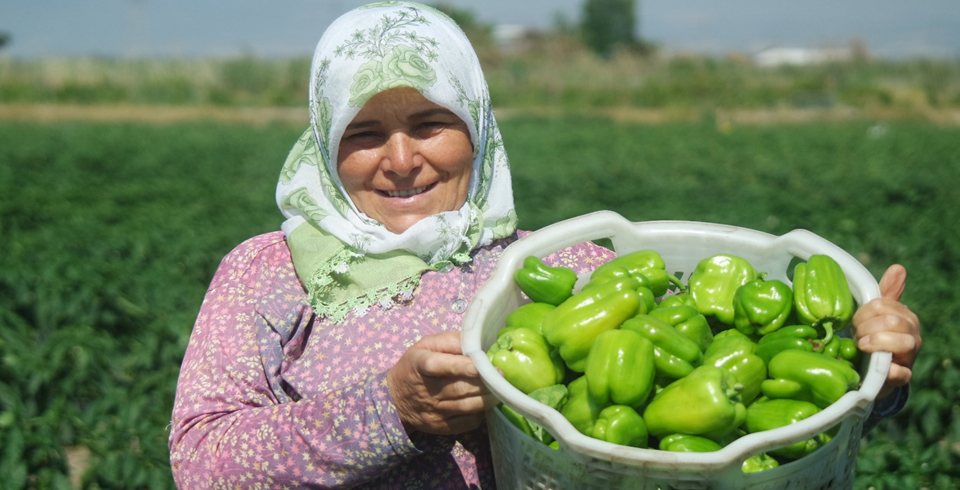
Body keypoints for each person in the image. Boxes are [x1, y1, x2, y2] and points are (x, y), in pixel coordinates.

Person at [168, 3, 921, 488]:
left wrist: (869, 367)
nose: (399, 161)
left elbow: (743, 390)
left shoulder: (559, 266)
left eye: (430, 123)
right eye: (363, 134)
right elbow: (201, 462)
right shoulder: (267, 274)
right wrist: (390, 410)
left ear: (479, 130)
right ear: (325, 144)